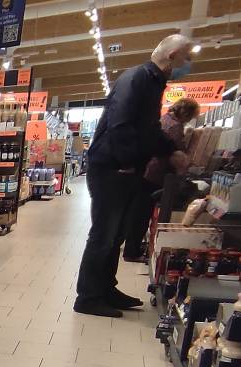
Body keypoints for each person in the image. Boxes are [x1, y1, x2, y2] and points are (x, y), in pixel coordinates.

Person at [74, 34, 193, 318]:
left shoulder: (152, 83)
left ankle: (106, 289)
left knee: (116, 235)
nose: (189, 64)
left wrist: (170, 150)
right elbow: (120, 124)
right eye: (187, 57)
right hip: (112, 168)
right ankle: (88, 297)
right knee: (104, 234)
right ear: (173, 55)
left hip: (124, 168)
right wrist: (127, 161)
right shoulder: (137, 79)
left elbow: (149, 130)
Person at [121, 97, 201, 262]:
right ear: (186, 113)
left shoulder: (164, 120)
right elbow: (175, 155)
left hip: (145, 171)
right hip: (154, 174)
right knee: (142, 213)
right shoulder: (175, 127)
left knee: (137, 211)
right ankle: (132, 251)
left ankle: (132, 247)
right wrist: (184, 168)